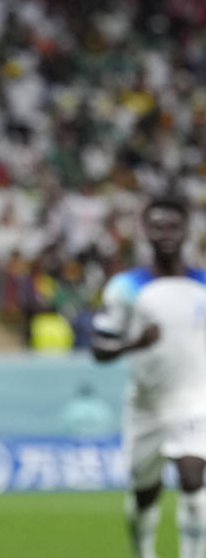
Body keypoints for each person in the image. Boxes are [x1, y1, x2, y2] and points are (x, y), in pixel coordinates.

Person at [92, 198, 206, 558]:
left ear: (186, 230)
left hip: (193, 400)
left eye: (173, 226)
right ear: (145, 231)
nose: (166, 234)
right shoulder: (126, 287)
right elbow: (99, 348)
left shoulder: (203, 283)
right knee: (145, 493)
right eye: (157, 226)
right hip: (145, 405)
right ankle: (144, 551)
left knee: (192, 478)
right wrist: (134, 342)